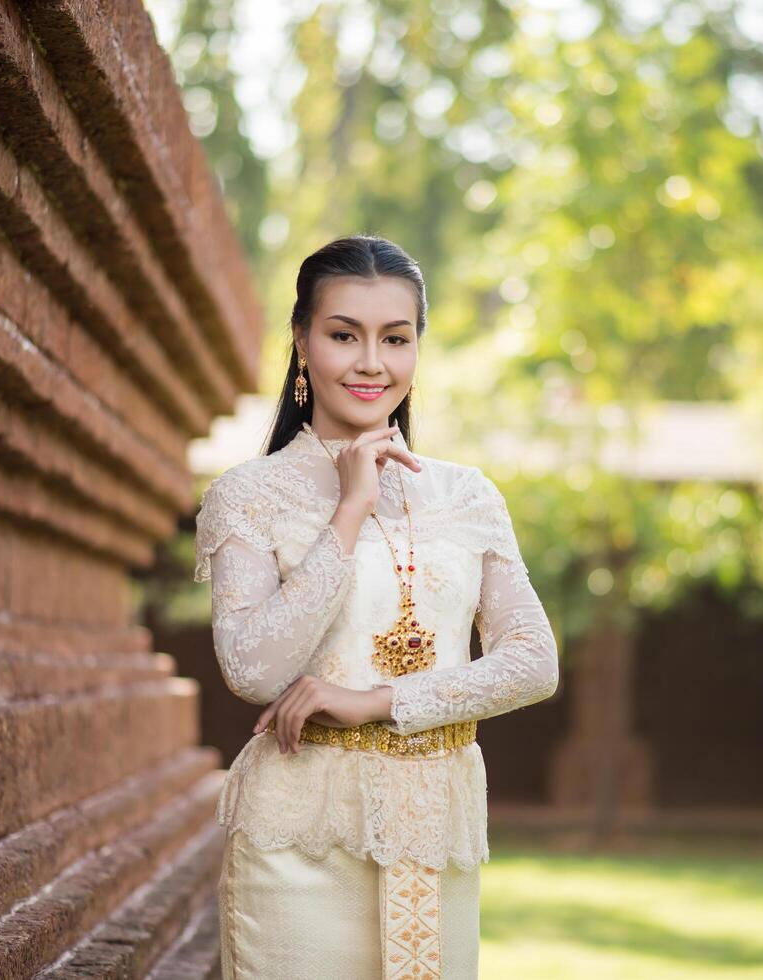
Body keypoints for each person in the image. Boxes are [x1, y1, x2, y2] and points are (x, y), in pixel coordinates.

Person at [194, 234, 560, 978]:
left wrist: (376, 701)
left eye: (395, 338)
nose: (370, 362)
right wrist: (349, 510)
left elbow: (534, 661)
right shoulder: (249, 495)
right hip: (299, 838)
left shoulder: (466, 495)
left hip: (434, 831)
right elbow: (253, 668)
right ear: (301, 343)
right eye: (342, 335)